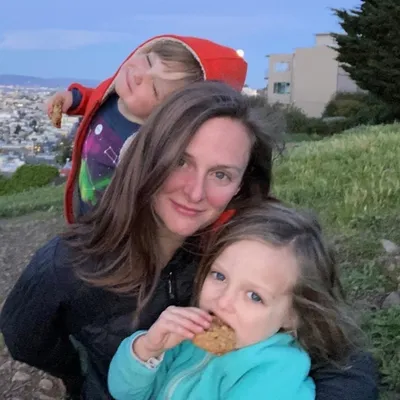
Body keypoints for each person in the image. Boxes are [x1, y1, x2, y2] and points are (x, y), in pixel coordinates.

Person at [0, 81, 378, 400]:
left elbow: (343, 355)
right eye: (180, 161)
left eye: (221, 174)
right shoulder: (65, 265)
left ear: (241, 182)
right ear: (149, 156)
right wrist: (82, 372)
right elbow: (23, 337)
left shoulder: (248, 248)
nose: (195, 192)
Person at [107, 202, 362, 400]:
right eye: (219, 276)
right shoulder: (185, 340)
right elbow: (126, 393)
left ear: (292, 316)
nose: (224, 301)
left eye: (254, 296)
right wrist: (148, 349)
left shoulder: (275, 374)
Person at [46, 34, 247, 223]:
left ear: (169, 114)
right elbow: (94, 97)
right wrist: (72, 99)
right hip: (83, 202)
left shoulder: (148, 144)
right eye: (149, 60)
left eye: (154, 89)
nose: (140, 75)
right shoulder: (115, 94)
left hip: (110, 226)